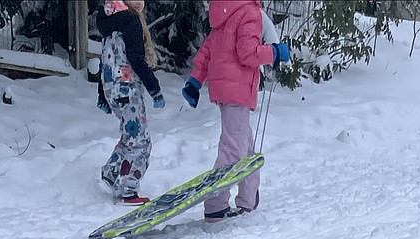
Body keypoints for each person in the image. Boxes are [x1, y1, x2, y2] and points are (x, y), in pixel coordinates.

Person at [180, 0, 291, 221]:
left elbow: (207, 51)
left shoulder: (225, 11)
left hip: (224, 88)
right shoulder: (249, 12)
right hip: (237, 89)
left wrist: (194, 81)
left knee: (244, 145)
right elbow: (248, 54)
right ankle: (215, 203)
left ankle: (248, 198)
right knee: (233, 149)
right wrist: (275, 52)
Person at [96, 0, 164, 205]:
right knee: (141, 142)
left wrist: (102, 94)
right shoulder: (130, 22)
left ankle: (111, 172)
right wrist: (154, 88)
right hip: (128, 89)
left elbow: (106, 61)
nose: (139, 3)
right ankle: (127, 189)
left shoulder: (109, 23)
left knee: (130, 136)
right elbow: (135, 59)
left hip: (113, 89)